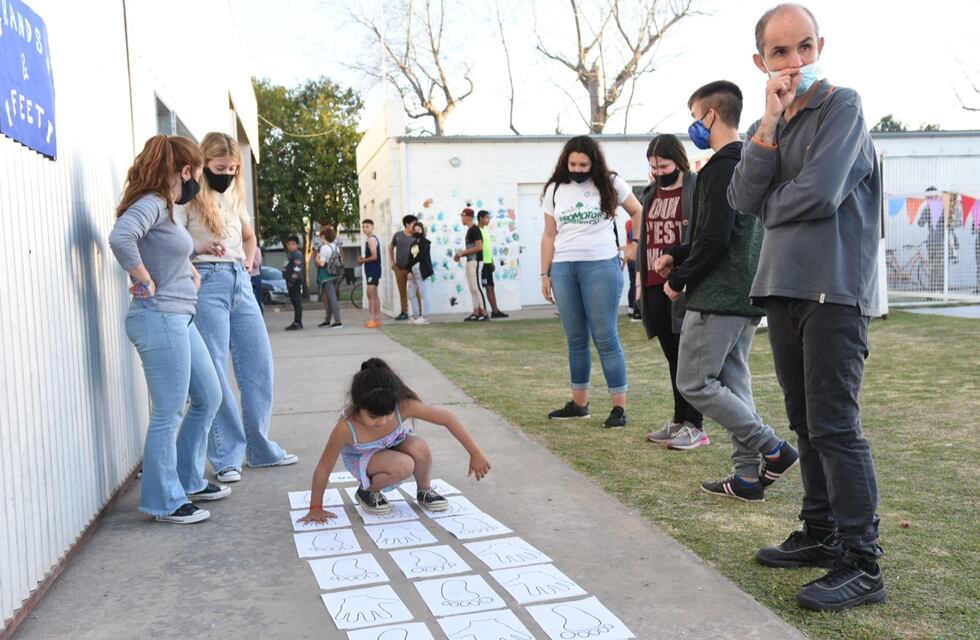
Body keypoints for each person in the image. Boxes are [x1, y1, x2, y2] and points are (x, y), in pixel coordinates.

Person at [727, 3, 885, 612]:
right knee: (805, 424)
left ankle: (863, 561)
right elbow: (742, 197)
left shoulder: (842, 105)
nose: (795, 62)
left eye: (805, 48)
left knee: (836, 426)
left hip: (834, 289)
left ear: (821, 47)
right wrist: (766, 123)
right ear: (761, 61)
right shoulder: (767, 128)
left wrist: (771, 199)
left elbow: (819, 194)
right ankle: (820, 532)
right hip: (782, 288)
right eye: (781, 52)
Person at [655, 81, 799, 500]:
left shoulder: (719, 166)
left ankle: (772, 447)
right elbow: (723, 233)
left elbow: (715, 239)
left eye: (696, 117)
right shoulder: (753, 162)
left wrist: (679, 278)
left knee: (695, 383)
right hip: (745, 292)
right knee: (734, 383)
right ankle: (747, 477)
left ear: (711, 116)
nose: (694, 126)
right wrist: (680, 254)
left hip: (718, 294)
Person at [108, 135, 226, 524]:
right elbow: (121, 236)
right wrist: (142, 279)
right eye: (195, 170)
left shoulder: (168, 210)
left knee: (208, 396)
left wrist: (193, 260)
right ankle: (164, 500)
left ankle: (188, 479)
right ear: (186, 170)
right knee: (168, 411)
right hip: (158, 318)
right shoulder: (154, 203)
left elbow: (162, 249)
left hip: (179, 317)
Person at [181, 131, 297, 484]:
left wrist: (248, 264)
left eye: (233, 168)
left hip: (239, 281)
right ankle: (227, 456)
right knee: (215, 369)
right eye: (220, 167)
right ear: (203, 163)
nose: (227, 174)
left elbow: (249, 236)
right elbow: (172, 244)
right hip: (206, 281)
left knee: (258, 364)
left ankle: (261, 450)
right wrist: (198, 251)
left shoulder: (232, 193)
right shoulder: (186, 196)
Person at [296, 358, 492, 520]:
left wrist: (475, 452)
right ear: (358, 407)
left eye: (388, 414)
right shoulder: (346, 428)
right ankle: (368, 491)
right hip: (363, 458)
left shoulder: (403, 405)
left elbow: (448, 419)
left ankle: (424, 490)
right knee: (404, 464)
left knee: (419, 446)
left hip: (392, 443)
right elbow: (324, 467)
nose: (382, 421)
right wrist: (315, 507)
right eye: (373, 417)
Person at [541, 135, 643, 428]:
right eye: (572, 163)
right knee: (575, 339)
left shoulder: (609, 182)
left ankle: (619, 409)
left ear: (593, 162)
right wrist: (544, 273)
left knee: (605, 336)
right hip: (563, 268)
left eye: (583, 164)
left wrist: (634, 244)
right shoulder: (555, 188)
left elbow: (637, 210)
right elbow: (549, 234)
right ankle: (579, 404)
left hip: (601, 265)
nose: (577, 168)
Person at [633, 134, 706, 448]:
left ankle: (695, 423)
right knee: (672, 356)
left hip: (684, 284)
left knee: (690, 357)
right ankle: (679, 419)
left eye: (663, 166)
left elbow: (702, 236)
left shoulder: (696, 188)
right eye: (653, 167)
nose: (659, 172)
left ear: (679, 161)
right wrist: (640, 280)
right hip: (653, 283)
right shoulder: (650, 194)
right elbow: (644, 239)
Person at [453, 208, 488, 321]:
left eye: (462, 216)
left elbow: (479, 247)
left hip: (476, 262)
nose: (461, 219)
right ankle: (476, 312)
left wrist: (462, 252)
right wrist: (461, 255)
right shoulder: (469, 230)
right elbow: (471, 248)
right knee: (472, 288)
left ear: (467, 217)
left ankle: (484, 313)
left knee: (477, 287)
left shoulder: (475, 230)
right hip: (470, 261)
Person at [478, 210, 509, 318]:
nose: (488, 219)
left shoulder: (485, 230)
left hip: (488, 263)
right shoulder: (478, 231)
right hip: (482, 264)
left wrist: (491, 261)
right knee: (488, 287)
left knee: (491, 286)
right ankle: (491, 311)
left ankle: (495, 311)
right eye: (486, 217)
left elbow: (487, 248)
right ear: (481, 218)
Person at [389, 215, 418, 320]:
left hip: (412, 270)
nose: (415, 226)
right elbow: (391, 247)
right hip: (399, 268)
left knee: (416, 291)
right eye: (413, 223)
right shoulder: (398, 235)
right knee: (402, 292)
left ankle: (418, 313)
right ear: (407, 224)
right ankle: (404, 312)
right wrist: (392, 262)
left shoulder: (417, 236)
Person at [315, 225, 343, 328]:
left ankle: (338, 321)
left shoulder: (324, 248)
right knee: (332, 298)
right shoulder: (335, 246)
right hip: (336, 274)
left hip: (327, 275)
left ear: (323, 236)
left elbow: (322, 264)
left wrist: (317, 258)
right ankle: (327, 320)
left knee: (332, 298)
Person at [406, 221, 434, 324]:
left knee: (424, 293)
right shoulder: (413, 244)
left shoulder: (426, 242)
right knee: (411, 293)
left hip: (422, 270)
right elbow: (410, 258)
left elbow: (420, 256)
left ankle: (425, 317)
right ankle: (416, 315)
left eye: (419, 229)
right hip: (413, 270)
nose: (417, 231)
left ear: (422, 231)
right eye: (415, 229)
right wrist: (409, 270)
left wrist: (411, 265)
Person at [358, 219, 383, 327]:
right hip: (372, 270)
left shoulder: (371, 240)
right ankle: (377, 319)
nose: (364, 229)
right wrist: (364, 259)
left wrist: (363, 260)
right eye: (363, 227)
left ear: (372, 227)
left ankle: (372, 319)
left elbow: (374, 256)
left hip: (373, 270)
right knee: (374, 295)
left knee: (370, 294)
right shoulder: (370, 239)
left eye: (367, 226)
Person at [283, 235, 304, 330]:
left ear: (297, 245)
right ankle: (296, 321)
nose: (291, 246)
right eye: (289, 244)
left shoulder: (297, 255)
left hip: (295, 282)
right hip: (289, 281)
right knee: (294, 302)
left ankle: (298, 322)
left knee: (297, 301)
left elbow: (297, 269)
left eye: (293, 244)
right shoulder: (290, 254)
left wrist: (291, 281)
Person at [249, 245, 264, 312]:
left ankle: (260, 320)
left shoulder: (256, 249)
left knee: (257, 300)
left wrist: (249, 253)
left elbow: (257, 264)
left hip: (255, 277)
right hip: (246, 277)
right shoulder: (240, 247)